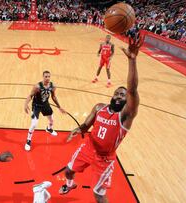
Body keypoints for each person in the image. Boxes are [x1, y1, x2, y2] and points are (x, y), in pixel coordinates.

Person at [59, 35, 143, 203]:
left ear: (127, 101)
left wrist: (132, 60)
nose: (119, 96)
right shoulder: (99, 107)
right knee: (68, 171)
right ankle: (70, 184)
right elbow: (86, 125)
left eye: (123, 95)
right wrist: (78, 130)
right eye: (117, 93)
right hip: (88, 147)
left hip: (105, 158)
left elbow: (132, 90)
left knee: (98, 195)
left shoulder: (126, 116)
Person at [24, 70, 66, 151]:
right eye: (46, 76)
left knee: (52, 120)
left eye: (49, 76)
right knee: (34, 124)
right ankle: (28, 140)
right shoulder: (37, 86)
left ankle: (49, 129)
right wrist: (25, 104)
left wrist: (59, 107)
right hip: (36, 106)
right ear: (43, 77)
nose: (47, 78)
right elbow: (30, 95)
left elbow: (53, 97)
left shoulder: (52, 86)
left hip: (45, 104)